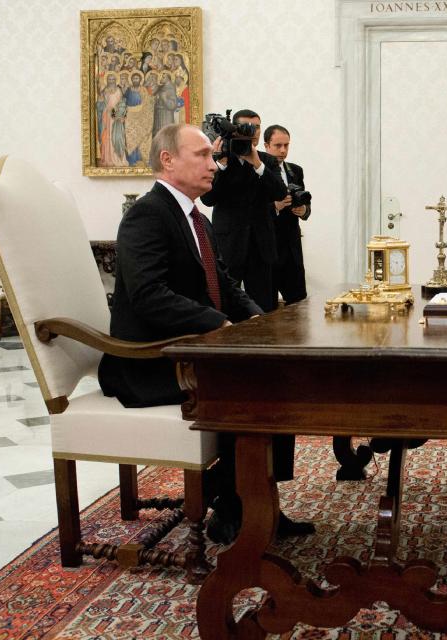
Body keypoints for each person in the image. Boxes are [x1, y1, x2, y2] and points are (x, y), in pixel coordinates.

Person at [99, 123, 310, 544]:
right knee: (255, 385)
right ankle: (233, 506)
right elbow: (149, 296)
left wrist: (259, 322)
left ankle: (256, 502)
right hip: (148, 362)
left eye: (213, 157)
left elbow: (227, 286)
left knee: (277, 372)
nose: (214, 165)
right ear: (168, 160)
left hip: (189, 352)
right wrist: (219, 325)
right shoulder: (146, 215)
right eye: (202, 156)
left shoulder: (197, 218)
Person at [200, 109, 287, 312]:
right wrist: (219, 165)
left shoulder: (267, 161)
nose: (253, 132)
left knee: (265, 308)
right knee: (227, 305)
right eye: (246, 127)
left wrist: (257, 164)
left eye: (257, 127)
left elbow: (280, 193)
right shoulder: (221, 159)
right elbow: (207, 198)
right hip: (229, 245)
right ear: (233, 130)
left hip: (261, 246)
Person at [263, 125, 310, 304]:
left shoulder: (295, 170)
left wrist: (304, 210)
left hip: (291, 246)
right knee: (267, 304)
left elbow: (304, 200)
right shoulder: (258, 169)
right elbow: (249, 208)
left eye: (287, 145)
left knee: (299, 302)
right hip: (267, 245)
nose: (283, 150)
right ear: (266, 145)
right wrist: (275, 206)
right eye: (278, 146)